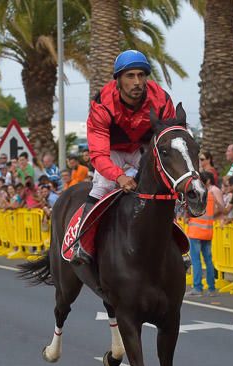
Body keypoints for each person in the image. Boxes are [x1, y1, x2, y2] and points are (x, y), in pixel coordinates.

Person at [71, 50, 176, 264]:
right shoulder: (102, 104)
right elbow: (99, 155)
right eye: (130, 76)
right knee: (101, 187)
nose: (137, 82)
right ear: (118, 80)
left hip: (143, 149)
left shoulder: (162, 100)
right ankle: (81, 244)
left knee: (167, 184)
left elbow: (170, 139)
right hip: (113, 151)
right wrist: (119, 177)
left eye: (141, 75)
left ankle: (175, 245)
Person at [185, 171, 218, 297]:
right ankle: (212, 288)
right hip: (208, 232)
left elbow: (189, 211)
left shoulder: (195, 194)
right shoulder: (210, 195)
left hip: (195, 232)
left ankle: (198, 288)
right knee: (208, 260)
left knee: (196, 260)